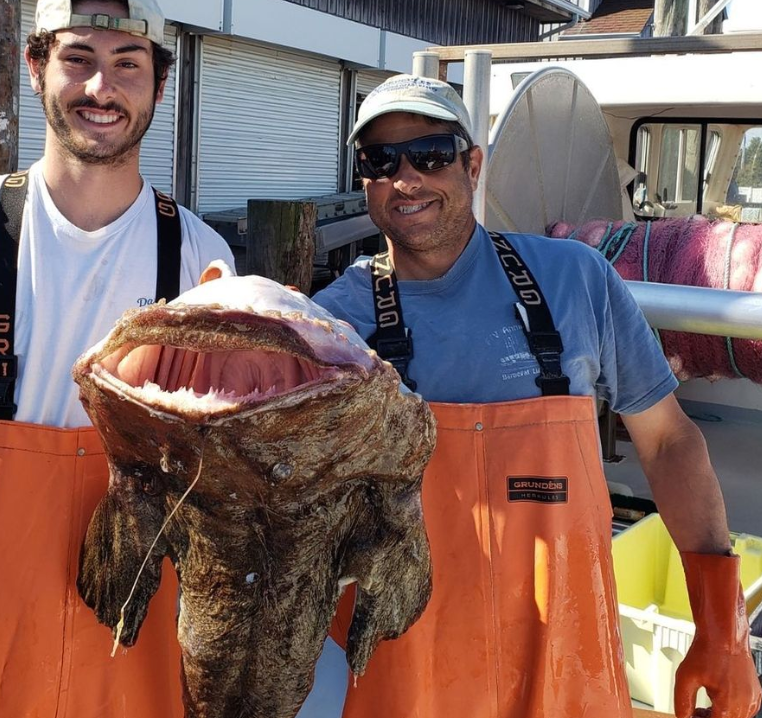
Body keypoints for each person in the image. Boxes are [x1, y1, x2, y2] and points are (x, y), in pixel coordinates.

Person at [313, 74, 762, 718]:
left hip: (564, 653)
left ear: (473, 164)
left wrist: (722, 625)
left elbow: (667, 441)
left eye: (432, 154)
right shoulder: (326, 326)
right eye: (380, 160)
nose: (406, 178)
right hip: (395, 670)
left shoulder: (575, 277)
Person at [0, 0, 234, 718]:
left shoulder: (203, 260)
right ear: (36, 66)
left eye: (127, 65)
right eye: (78, 58)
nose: (101, 89)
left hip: (135, 606)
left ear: (159, 87)